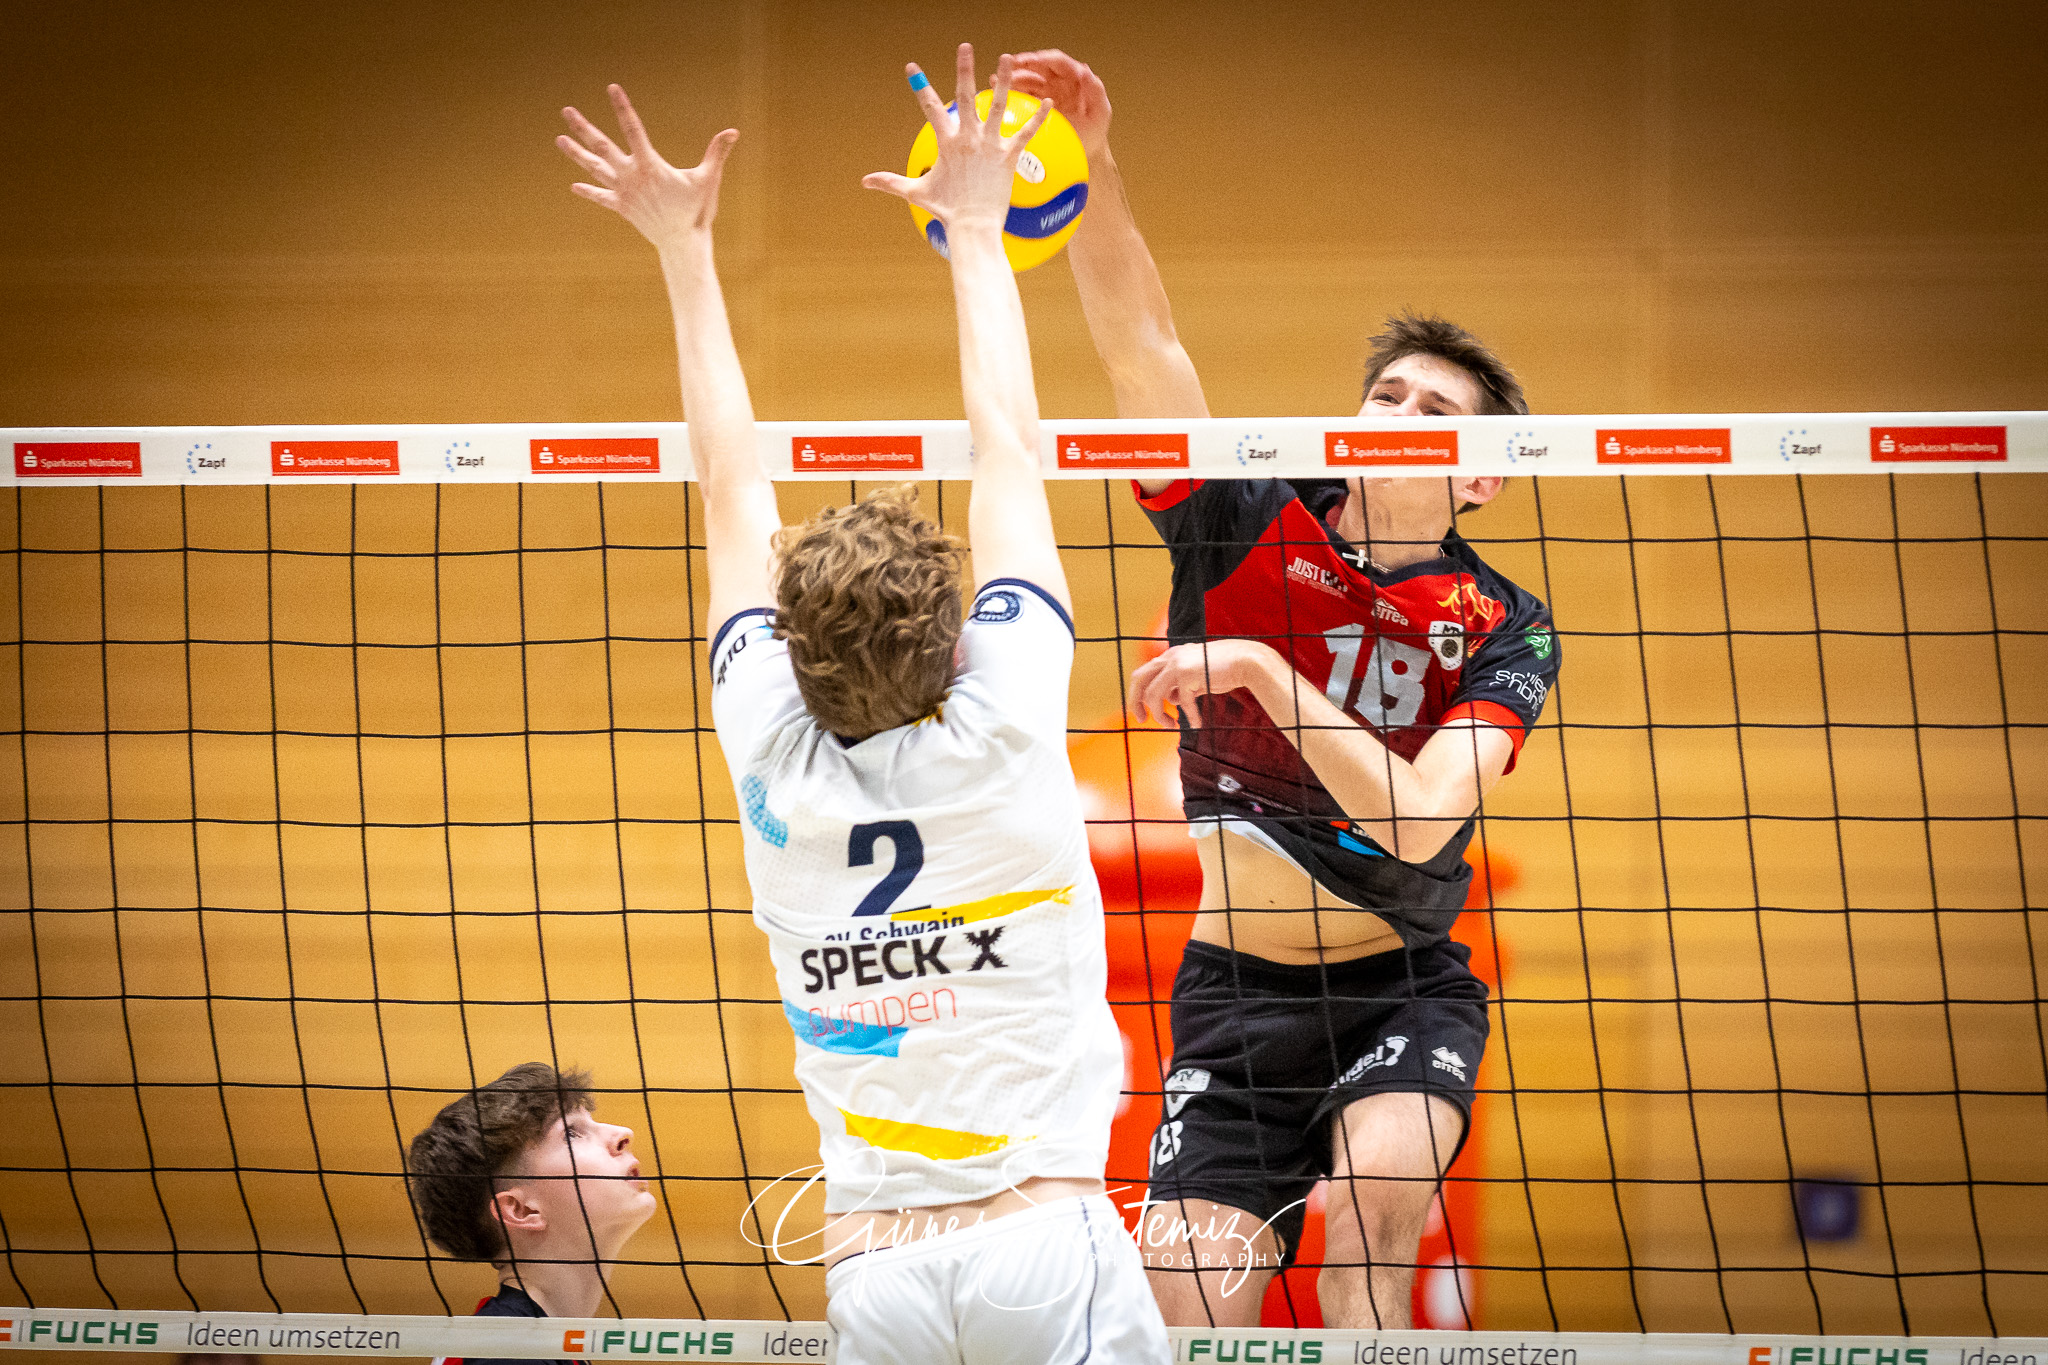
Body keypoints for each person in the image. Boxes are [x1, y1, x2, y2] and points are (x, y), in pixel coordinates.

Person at [553, 50, 1169, 1364]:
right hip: (1041, 1240)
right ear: (954, 646)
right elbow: (1007, 435)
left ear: (788, 647)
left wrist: (680, 249)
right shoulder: (1004, 718)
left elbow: (726, 481)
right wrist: (976, 234)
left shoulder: (768, 745)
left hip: (877, 1270)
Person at [1009, 52, 1562, 1331]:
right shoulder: (1242, 524)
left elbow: (1425, 818)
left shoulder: (1502, 625)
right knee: (1182, 1296)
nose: (1397, 413)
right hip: (1230, 996)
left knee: (1372, 1210)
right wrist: (1092, 162)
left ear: (1480, 477)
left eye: (1436, 410)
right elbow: (1141, 343)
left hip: (1399, 978)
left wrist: (1261, 671)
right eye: (1383, 393)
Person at [405, 1062, 657, 1359]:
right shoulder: (502, 1352)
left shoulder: (536, 1343)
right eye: (572, 1133)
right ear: (521, 1210)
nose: (622, 1133)